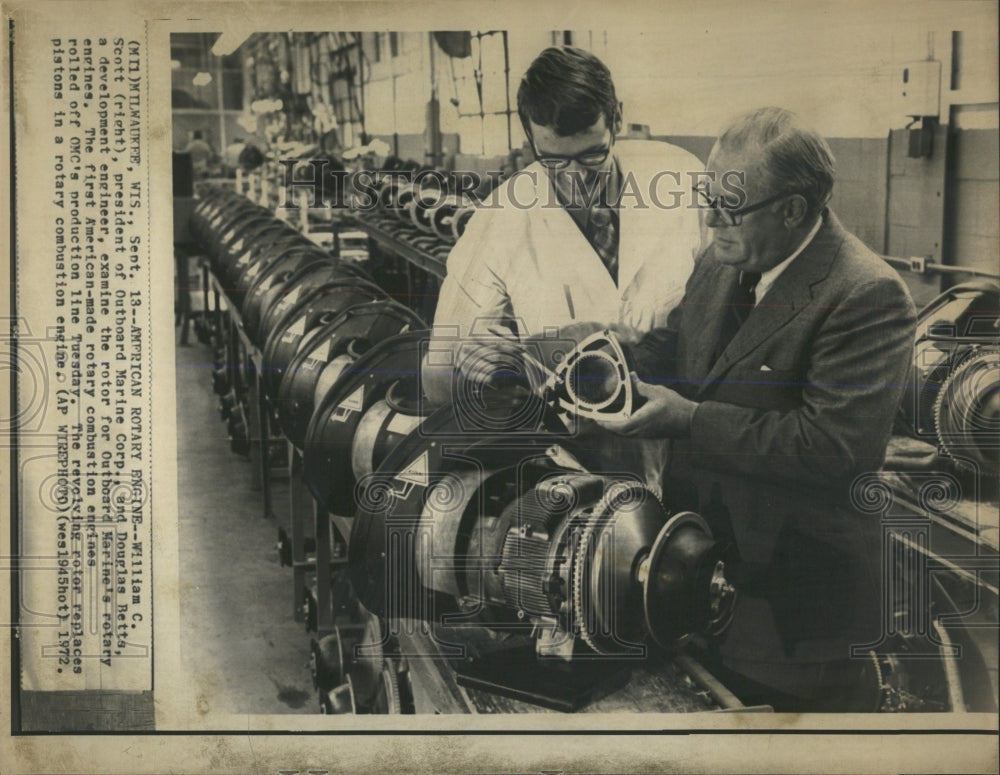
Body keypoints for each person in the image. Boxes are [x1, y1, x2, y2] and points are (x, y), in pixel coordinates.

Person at [598, 107, 917, 711]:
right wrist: (607, 364)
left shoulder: (866, 294)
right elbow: (684, 355)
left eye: (729, 206)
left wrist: (688, 420)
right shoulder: (722, 262)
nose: (710, 219)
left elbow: (832, 448)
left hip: (795, 615)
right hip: (696, 574)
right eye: (705, 198)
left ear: (793, 209)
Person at [421, 46, 704, 487]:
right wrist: (472, 364)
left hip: (690, 451)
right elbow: (435, 378)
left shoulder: (683, 180)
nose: (575, 178)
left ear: (618, 119)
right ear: (529, 140)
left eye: (593, 155)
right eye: (553, 160)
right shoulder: (500, 220)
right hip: (571, 470)